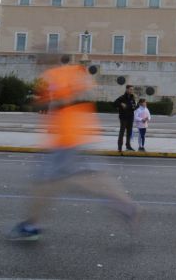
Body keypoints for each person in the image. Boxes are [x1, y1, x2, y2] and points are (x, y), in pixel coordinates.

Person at [8, 63, 140, 240]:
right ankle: (126, 207)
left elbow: (62, 100)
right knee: (85, 176)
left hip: (66, 136)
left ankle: (31, 225)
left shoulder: (56, 75)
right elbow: (83, 93)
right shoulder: (71, 72)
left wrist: (42, 100)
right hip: (78, 132)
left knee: (46, 181)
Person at [114, 85, 137, 152]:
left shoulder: (133, 98)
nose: (131, 91)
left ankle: (128, 146)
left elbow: (134, 107)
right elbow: (114, 103)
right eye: (130, 89)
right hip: (123, 117)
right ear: (127, 89)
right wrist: (121, 104)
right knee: (122, 132)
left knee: (129, 132)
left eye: (132, 89)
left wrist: (135, 103)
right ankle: (120, 147)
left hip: (130, 117)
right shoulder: (122, 97)